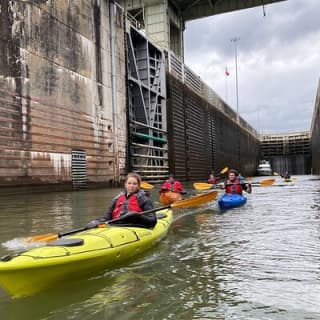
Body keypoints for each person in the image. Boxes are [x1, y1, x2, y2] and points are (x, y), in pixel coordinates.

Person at [87, 172, 157, 229]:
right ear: (125, 185)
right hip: (116, 227)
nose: (131, 186)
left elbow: (153, 221)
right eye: (129, 183)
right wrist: (96, 221)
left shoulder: (144, 200)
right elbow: (107, 219)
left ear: (139, 186)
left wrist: (138, 216)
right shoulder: (116, 199)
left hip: (136, 227)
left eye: (134, 184)